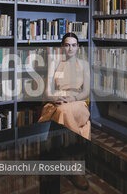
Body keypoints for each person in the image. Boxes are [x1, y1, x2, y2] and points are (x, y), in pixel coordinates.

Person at [38, 32, 91, 190]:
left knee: (65, 112)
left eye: (74, 45)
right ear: (62, 47)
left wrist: (73, 99)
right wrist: (55, 99)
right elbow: (47, 92)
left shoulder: (84, 65)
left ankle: (64, 160)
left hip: (78, 103)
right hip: (57, 102)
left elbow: (86, 92)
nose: (70, 48)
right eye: (67, 45)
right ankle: (73, 165)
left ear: (78, 47)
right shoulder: (54, 63)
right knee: (62, 111)